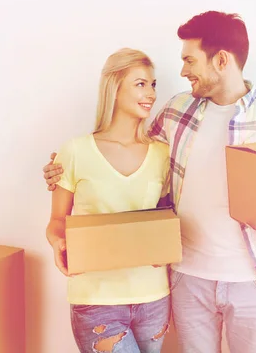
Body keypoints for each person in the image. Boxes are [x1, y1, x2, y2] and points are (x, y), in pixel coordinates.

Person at [43, 11, 256, 353]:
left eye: (190, 60)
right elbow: (130, 151)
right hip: (189, 280)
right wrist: (60, 170)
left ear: (220, 60)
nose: (183, 71)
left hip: (253, 281)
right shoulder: (177, 112)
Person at [46, 48, 172, 353]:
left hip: (153, 297)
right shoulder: (75, 151)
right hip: (96, 301)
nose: (151, 94)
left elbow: (168, 217)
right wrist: (58, 243)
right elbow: (56, 222)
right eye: (140, 84)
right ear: (114, 88)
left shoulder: (162, 154)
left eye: (153, 85)